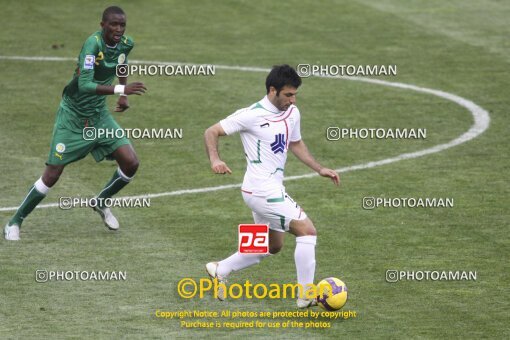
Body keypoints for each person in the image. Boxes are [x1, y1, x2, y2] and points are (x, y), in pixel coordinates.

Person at [4, 6, 147, 241]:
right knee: (52, 174)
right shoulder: (93, 45)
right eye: (113, 24)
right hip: (73, 117)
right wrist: (121, 88)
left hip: (99, 115)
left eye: (122, 25)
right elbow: (85, 85)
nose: (119, 29)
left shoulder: (125, 43)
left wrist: (124, 95)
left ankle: (101, 201)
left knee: (131, 162)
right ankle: (14, 222)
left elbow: (122, 62)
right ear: (102, 25)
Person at [204, 64, 340, 308]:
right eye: (288, 95)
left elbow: (295, 143)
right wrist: (216, 159)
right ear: (272, 90)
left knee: (273, 245)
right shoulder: (251, 114)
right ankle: (306, 295)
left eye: (295, 94)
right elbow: (211, 131)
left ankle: (220, 268)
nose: (293, 99)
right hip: (261, 189)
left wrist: (319, 168)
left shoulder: (292, 112)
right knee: (307, 231)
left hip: (267, 189)